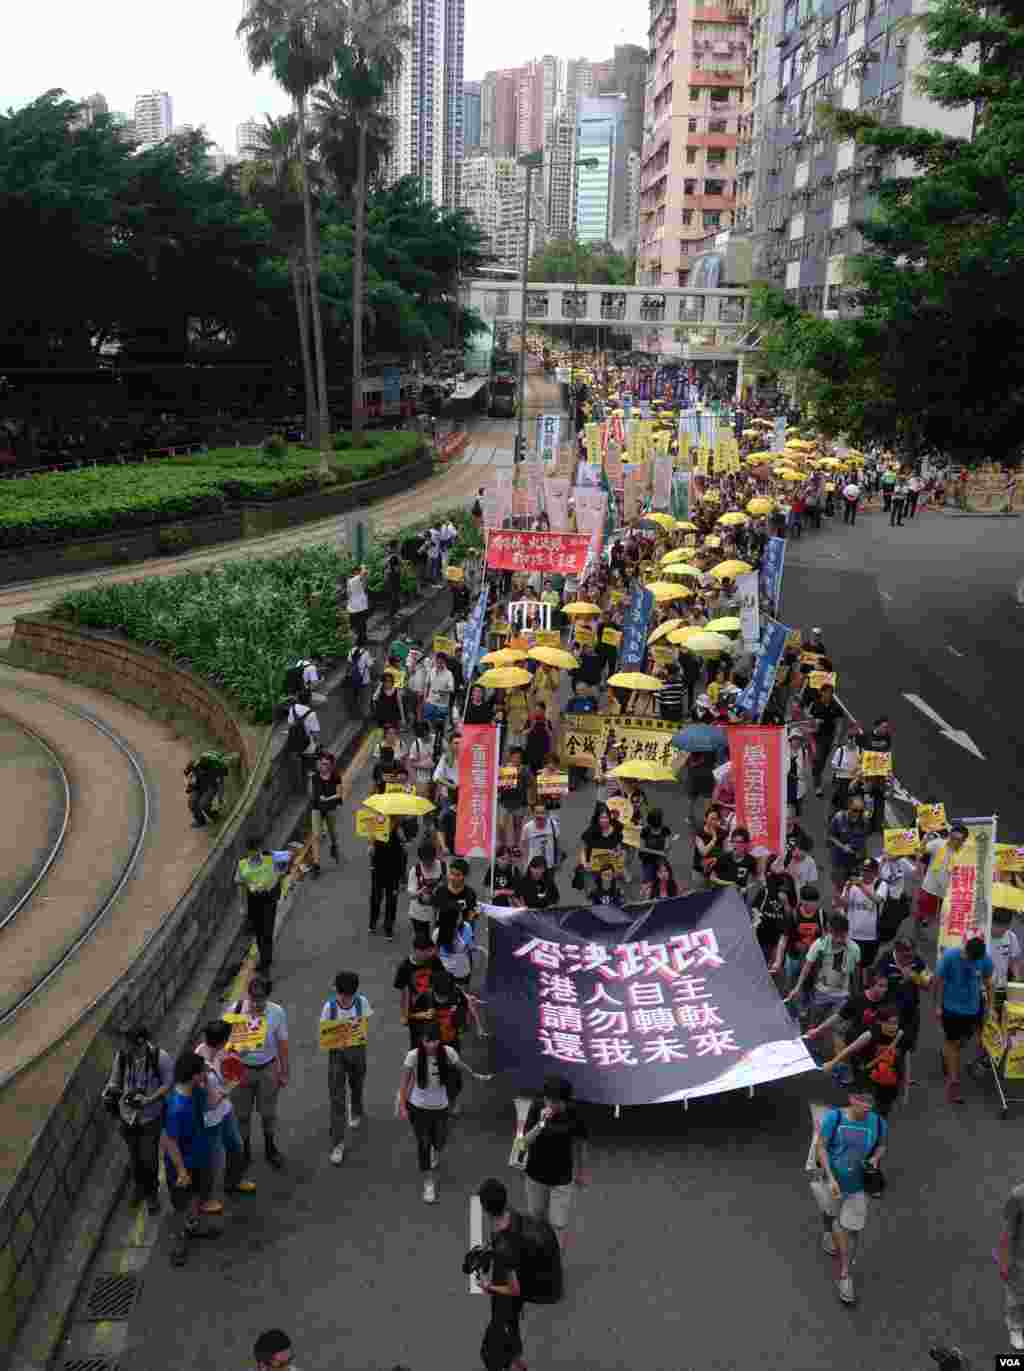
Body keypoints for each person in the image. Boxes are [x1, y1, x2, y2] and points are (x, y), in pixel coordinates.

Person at [811, 1089, 887, 1305]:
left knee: (851, 1229)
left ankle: (845, 1275)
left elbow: (882, 1145)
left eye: (870, 1103)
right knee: (829, 1214)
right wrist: (831, 1178)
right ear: (851, 1100)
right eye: (863, 1102)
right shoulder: (833, 1118)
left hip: (858, 1187)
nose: (867, 1107)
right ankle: (827, 1231)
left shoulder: (879, 1123)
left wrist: (875, 1158)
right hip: (832, 1182)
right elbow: (821, 1147)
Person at [398, 1023, 488, 1202]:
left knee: (439, 1141)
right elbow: (404, 1081)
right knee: (423, 1143)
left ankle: (435, 1149)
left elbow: (461, 1066)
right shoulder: (413, 1056)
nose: (431, 1045)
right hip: (418, 1107)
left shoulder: (447, 1052)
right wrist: (402, 1105)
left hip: (440, 1107)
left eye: (435, 1041)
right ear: (422, 1040)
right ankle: (428, 1183)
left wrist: (476, 1075)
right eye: (427, 1041)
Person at [102, 1022, 173, 1215]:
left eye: (129, 1043)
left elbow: (168, 1083)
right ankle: (139, 1187)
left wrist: (149, 1099)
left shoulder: (160, 1058)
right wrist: (110, 1091)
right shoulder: (123, 1057)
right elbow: (115, 1080)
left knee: (149, 1159)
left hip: (150, 1117)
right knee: (135, 1159)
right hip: (127, 1117)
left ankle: (151, 1194)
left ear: (140, 1043)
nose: (125, 1047)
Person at [519, 1076, 589, 1251]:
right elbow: (523, 1143)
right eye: (547, 1099)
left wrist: (581, 1171)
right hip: (536, 1175)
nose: (548, 1103)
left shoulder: (575, 1114)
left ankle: (554, 1262)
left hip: (562, 1178)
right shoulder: (537, 1108)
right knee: (537, 1218)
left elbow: (581, 1143)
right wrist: (540, 1124)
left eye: (553, 1101)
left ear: (564, 1101)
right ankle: (539, 1253)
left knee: (558, 1223)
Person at [229, 976, 290, 1173]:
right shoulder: (235, 1011)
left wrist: (284, 1071)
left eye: (261, 998)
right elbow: (224, 1045)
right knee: (242, 1115)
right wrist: (235, 1052)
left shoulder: (277, 1012)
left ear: (268, 996)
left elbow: (282, 1043)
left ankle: (270, 1148)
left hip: (268, 1069)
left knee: (268, 1114)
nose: (257, 1003)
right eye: (254, 998)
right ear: (248, 995)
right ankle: (245, 1151)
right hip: (242, 1070)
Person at [160, 1051, 215, 1267]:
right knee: (180, 1205)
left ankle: (193, 1226)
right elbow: (170, 1142)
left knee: (195, 1197)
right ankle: (179, 1240)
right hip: (183, 1165)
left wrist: (208, 1080)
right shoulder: (176, 1107)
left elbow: (212, 1103)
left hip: (199, 1157)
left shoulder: (195, 1092)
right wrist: (181, 1170)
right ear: (193, 1076)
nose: (205, 1073)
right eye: (202, 1071)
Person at [194, 1020, 250, 1211]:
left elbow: (228, 1064)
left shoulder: (218, 1050)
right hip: (210, 1120)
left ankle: (234, 1180)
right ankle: (205, 1200)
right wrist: (229, 1088)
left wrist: (236, 1056)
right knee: (213, 1161)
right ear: (221, 1041)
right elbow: (206, 1102)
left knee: (236, 1146)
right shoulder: (199, 1064)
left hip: (225, 1112)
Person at [933, 934, 994, 1104]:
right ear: (965, 948)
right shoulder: (950, 956)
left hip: (972, 1009)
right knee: (954, 1045)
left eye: (973, 960)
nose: (969, 961)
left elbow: (989, 983)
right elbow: (937, 981)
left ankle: (947, 1054)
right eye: (967, 957)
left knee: (963, 1043)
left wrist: (989, 1007)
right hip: (951, 1009)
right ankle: (954, 1081)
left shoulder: (984, 960)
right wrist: (937, 1005)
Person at [321, 970, 372, 1166]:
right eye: (340, 994)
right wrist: (340, 1040)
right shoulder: (329, 1008)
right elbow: (325, 1034)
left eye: (347, 994)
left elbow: (364, 1026)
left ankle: (357, 1108)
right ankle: (337, 1143)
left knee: (357, 1084)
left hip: (357, 1051)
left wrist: (349, 1035)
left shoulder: (362, 1003)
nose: (343, 998)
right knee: (337, 1099)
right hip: (337, 1056)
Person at [786, 913, 862, 1028]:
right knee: (813, 1024)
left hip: (842, 995)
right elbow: (807, 967)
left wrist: (856, 996)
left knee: (834, 1027)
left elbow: (856, 974)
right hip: (820, 992)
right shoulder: (820, 944)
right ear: (830, 931)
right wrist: (797, 987)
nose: (839, 939)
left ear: (847, 932)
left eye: (842, 935)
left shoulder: (855, 949)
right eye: (836, 935)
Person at [236, 836, 282, 975]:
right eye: (253, 850)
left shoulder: (269, 859)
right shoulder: (242, 865)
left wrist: (274, 888)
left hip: (268, 899)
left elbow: (281, 869)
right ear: (248, 851)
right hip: (253, 900)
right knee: (259, 932)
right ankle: (265, 958)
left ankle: (265, 961)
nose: (256, 853)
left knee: (267, 931)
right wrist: (242, 906)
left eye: (258, 849)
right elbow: (240, 886)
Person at [394, 933, 445, 1046]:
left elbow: (443, 979)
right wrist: (404, 1014)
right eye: (426, 951)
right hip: (416, 1011)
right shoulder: (404, 967)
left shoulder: (434, 960)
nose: (429, 954)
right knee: (417, 1042)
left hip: (435, 1007)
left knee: (437, 1040)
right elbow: (404, 992)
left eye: (430, 951)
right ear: (416, 950)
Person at [915, 822, 969, 925]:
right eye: (952, 837)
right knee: (922, 914)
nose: (953, 841)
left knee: (942, 921)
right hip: (930, 887)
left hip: (948, 892)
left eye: (958, 840)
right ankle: (920, 926)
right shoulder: (939, 843)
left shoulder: (965, 853)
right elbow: (921, 851)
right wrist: (926, 837)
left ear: (963, 841)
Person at [840, 859, 884, 970]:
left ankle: (863, 986)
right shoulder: (851, 884)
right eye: (863, 870)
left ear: (875, 872)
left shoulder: (880, 884)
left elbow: (877, 899)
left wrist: (861, 886)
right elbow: (844, 906)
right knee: (850, 966)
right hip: (852, 934)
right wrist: (848, 889)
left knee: (866, 966)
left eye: (868, 871)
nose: (865, 873)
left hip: (871, 936)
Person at [370, 820, 407, 939]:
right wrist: (371, 847)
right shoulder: (378, 826)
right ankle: (373, 922)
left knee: (392, 900)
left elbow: (403, 856)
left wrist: (402, 877)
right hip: (379, 870)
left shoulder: (399, 832)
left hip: (394, 872)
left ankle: (388, 927)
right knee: (376, 897)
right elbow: (371, 847)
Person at [827, 795, 870, 896]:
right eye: (855, 810)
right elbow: (830, 836)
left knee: (856, 885)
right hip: (840, 860)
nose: (858, 813)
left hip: (857, 860)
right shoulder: (839, 817)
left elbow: (865, 837)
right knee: (840, 885)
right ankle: (839, 904)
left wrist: (863, 855)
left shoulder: (864, 820)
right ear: (849, 806)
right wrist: (843, 846)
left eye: (861, 811)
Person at [432, 857, 478, 949]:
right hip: (443, 937)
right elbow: (435, 914)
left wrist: (470, 938)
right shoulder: (441, 891)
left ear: (465, 876)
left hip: (462, 938)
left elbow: (472, 916)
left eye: (458, 875)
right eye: (451, 873)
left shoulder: (470, 893)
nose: (453, 878)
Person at [999, 1181, 1024, 1351]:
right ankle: (1016, 1328)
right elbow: (1008, 1229)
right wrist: (1004, 1261)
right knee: (1016, 1296)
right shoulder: (1018, 1195)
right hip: (1021, 1257)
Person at [309, 751, 343, 876]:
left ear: (331, 765)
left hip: (330, 808)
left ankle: (334, 845)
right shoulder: (314, 777)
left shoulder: (336, 777)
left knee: (332, 832)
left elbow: (339, 794)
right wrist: (316, 797)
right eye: (322, 764)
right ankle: (316, 864)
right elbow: (311, 793)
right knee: (316, 836)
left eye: (326, 764)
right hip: (317, 808)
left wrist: (327, 799)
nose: (323, 766)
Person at [809, 683, 845, 798]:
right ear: (822, 692)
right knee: (817, 760)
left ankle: (818, 780)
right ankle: (817, 782)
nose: (829, 695)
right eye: (827, 692)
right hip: (813, 736)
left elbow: (839, 723)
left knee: (822, 761)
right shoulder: (815, 704)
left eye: (831, 693)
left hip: (827, 738)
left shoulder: (836, 707)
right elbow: (807, 718)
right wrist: (814, 721)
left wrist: (837, 738)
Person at [407, 839, 447, 941]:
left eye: (430, 861)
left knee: (438, 942)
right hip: (419, 914)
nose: (428, 864)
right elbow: (411, 895)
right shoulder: (415, 870)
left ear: (435, 857)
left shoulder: (443, 867)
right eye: (425, 862)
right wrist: (420, 892)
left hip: (438, 914)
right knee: (423, 943)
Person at [520, 803, 560, 870]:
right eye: (537, 812)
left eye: (542, 813)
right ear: (533, 814)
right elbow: (523, 847)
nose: (540, 815)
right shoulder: (527, 827)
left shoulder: (553, 825)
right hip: (533, 867)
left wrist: (557, 860)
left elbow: (557, 843)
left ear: (546, 813)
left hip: (549, 866)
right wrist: (525, 864)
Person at [344, 642, 374, 720]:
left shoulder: (351, 651)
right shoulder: (366, 653)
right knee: (366, 701)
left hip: (353, 680)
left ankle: (356, 716)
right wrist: (373, 660)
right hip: (365, 680)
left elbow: (349, 664)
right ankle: (365, 720)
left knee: (356, 699)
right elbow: (370, 665)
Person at [346, 564, 370, 646]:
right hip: (361, 605)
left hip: (355, 605)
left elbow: (348, 593)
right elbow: (364, 574)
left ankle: (361, 639)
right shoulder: (359, 578)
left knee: (359, 624)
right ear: (356, 571)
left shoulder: (350, 580)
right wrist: (363, 567)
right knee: (362, 623)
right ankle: (362, 639)